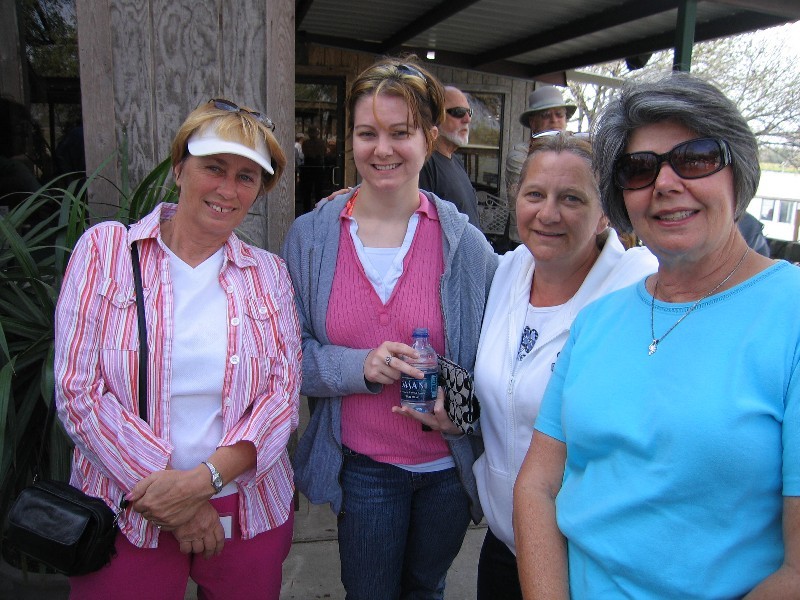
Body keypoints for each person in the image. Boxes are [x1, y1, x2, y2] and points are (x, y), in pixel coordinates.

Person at [514, 72, 800, 599]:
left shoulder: (791, 316)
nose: (666, 183)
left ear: (738, 171)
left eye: (694, 158)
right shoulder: (598, 321)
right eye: (639, 169)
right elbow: (537, 485)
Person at [54, 98, 301, 600]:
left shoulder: (268, 274)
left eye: (247, 177)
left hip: (246, 506)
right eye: (214, 168)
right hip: (127, 503)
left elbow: (282, 396)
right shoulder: (106, 253)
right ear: (179, 168)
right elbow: (78, 391)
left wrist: (203, 484)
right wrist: (180, 500)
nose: (228, 189)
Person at [283, 57, 497, 599]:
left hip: (445, 471)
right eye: (366, 133)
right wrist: (358, 366)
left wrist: (462, 412)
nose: (383, 149)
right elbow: (287, 357)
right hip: (365, 468)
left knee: (426, 588)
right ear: (349, 139)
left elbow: (502, 362)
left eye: (400, 133)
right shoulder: (311, 239)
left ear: (428, 137)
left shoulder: (464, 246)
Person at [467, 131, 657, 600]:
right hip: (504, 543)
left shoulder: (640, 288)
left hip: (589, 561)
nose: (548, 213)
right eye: (535, 194)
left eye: (571, 198)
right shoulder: (508, 271)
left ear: (605, 211)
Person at [504, 86, 577, 246]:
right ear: (532, 122)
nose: (554, 120)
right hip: (524, 243)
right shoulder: (519, 157)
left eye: (560, 114)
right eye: (545, 115)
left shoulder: (576, 155)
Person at [419, 85, 482, 228]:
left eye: (469, 112)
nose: (467, 119)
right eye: (458, 112)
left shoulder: (456, 161)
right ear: (434, 117)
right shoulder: (424, 164)